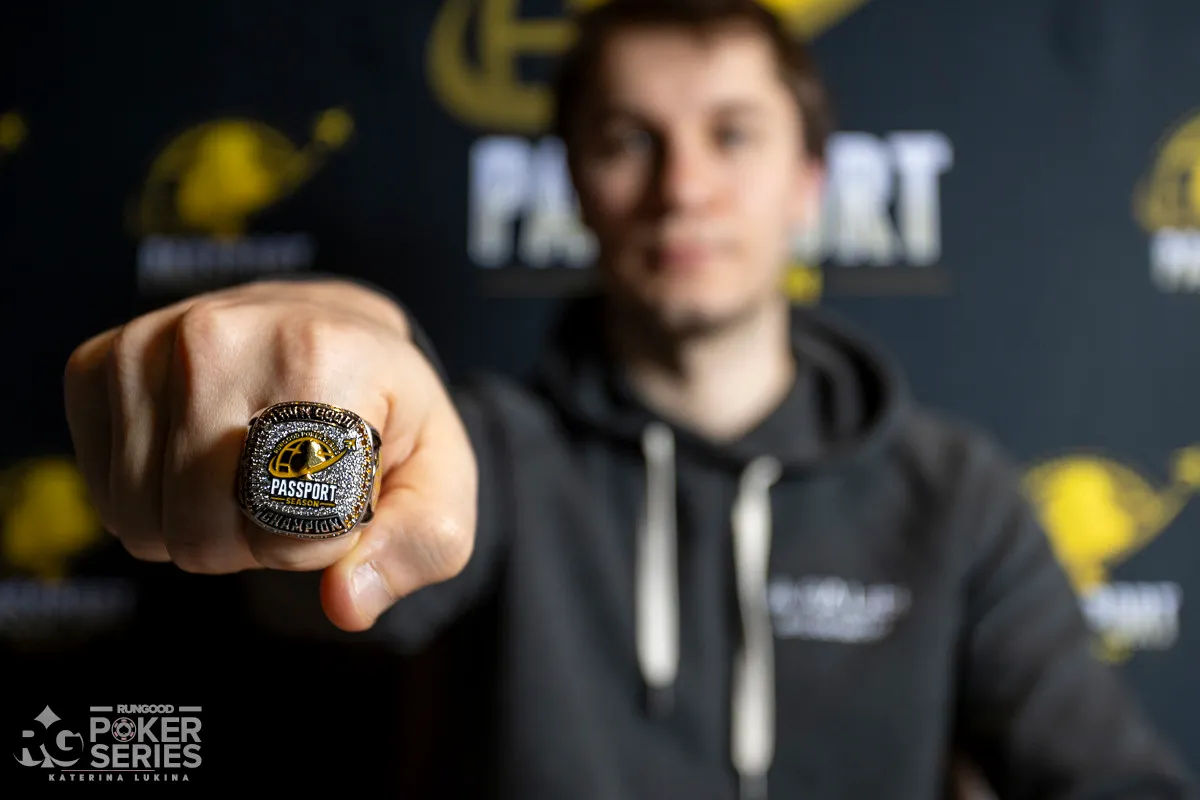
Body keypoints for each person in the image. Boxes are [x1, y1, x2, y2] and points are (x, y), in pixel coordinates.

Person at [63, 0, 1193, 797]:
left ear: (808, 184)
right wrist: (329, 374)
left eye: (731, 135)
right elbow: (320, 589)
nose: (682, 186)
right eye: (627, 141)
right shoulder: (490, 455)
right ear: (575, 185)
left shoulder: (955, 494)